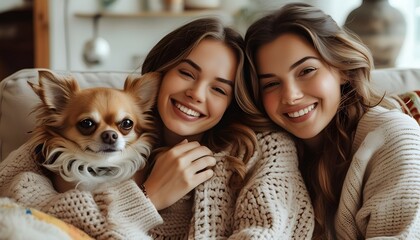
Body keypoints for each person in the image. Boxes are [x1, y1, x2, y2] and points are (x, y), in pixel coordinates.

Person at [0, 17, 314, 239]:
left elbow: (264, 233)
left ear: (232, 101)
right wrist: (149, 198)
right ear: (159, 74)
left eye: (219, 89)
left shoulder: (264, 149)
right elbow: (15, 208)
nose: (197, 93)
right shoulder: (66, 140)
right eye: (187, 73)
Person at [243, 2, 420, 240]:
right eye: (271, 84)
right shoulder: (270, 150)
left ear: (342, 68)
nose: (291, 95)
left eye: (306, 71)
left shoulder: (394, 136)